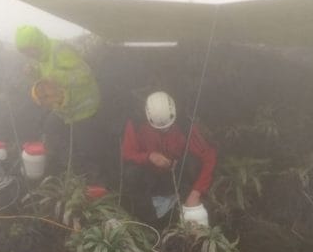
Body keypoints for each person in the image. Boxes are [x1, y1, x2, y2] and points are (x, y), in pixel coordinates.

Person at [121, 91, 217, 224]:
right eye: (158, 129)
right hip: (150, 178)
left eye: (167, 127)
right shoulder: (137, 124)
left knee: (192, 162)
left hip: (177, 177)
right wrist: (149, 157)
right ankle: (148, 220)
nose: (163, 131)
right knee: (131, 173)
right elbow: (127, 153)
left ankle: (186, 204)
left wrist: (196, 193)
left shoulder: (185, 125)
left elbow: (209, 158)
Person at [15, 25, 100, 124]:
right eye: (24, 52)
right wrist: (34, 74)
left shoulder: (59, 50)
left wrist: (58, 77)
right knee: (48, 128)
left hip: (85, 108)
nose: (28, 54)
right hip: (67, 112)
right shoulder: (41, 58)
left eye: (29, 49)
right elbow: (47, 81)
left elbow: (85, 74)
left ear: (36, 42)